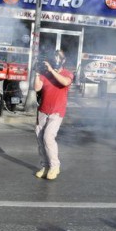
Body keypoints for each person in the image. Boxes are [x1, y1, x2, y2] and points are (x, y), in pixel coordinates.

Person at [34, 50, 73, 181]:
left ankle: (54, 166)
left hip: (57, 111)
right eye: (54, 57)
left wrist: (51, 70)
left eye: (59, 57)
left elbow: (65, 82)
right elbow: (37, 88)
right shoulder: (46, 74)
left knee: (48, 137)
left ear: (64, 60)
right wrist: (37, 73)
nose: (56, 60)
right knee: (40, 139)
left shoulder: (67, 73)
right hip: (43, 110)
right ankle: (45, 166)